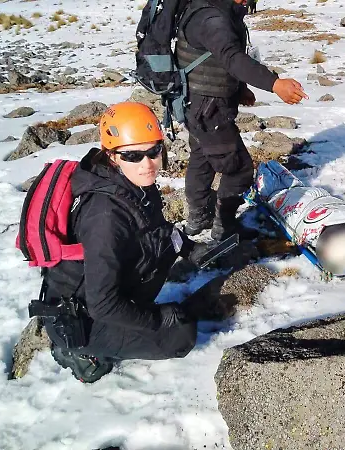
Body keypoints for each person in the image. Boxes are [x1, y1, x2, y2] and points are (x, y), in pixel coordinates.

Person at [45, 102, 228, 383]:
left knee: (165, 246)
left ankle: (134, 317)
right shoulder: (105, 216)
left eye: (154, 151)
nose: (147, 164)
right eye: (133, 155)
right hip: (82, 319)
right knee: (180, 337)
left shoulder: (130, 184)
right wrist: (157, 320)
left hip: (102, 294)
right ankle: (79, 351)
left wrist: (190, 249)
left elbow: (158, 228)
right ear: (112, 156)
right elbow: (102, 304)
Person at [176, 0, 308, 238]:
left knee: (202, 157)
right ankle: (223, 229)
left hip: (197, 103)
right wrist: (274, 83)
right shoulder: (212, 19)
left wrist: (240, 88)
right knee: (239, 169)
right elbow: (232, 57)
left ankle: (198, 219)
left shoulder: (213, 7)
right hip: (209, 108)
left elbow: (214, 57)